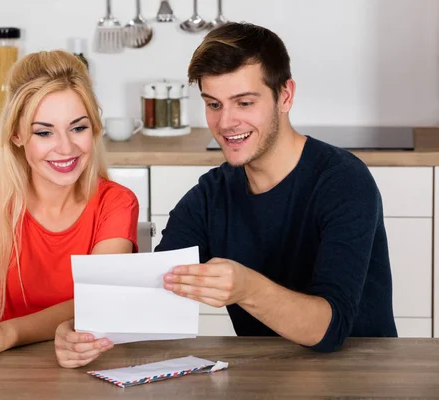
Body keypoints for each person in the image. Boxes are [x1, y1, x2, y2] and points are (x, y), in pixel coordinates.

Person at [54, 21, 397, 368]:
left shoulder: (343, 181)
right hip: (266, 374)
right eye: (213, 104)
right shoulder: (209, 198)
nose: (226, 122)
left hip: (360, 372)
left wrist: (247, 288)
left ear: (286, 95)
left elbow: (331, 328)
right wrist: (81, 330)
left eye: (244, 102)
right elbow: (152, 292)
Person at [0, 50, 139, 365]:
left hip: (80, 369)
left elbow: (94, 302)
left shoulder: (116, 202)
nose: (66, 147)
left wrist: (5, 333)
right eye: (44, 132)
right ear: (16, 134)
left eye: (78, 128)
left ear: (95, 128)